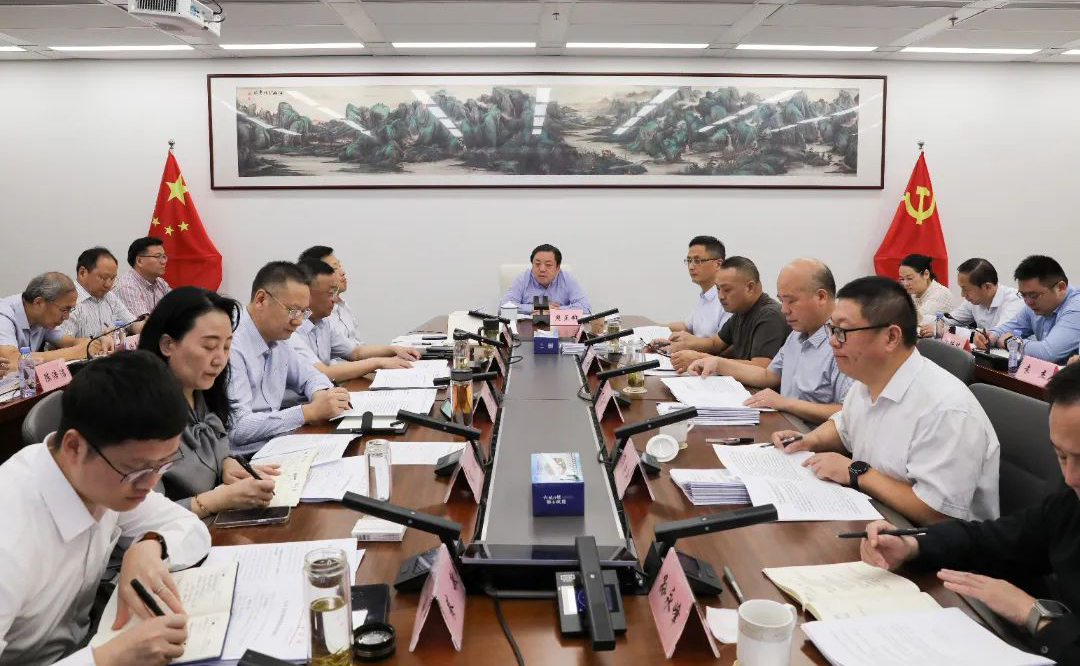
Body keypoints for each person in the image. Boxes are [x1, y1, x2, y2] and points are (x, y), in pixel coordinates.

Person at [860, 361, 1080, 663]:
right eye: (1061, 456)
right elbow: (992, 539)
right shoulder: (1069, 504)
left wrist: (1034, 615)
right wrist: (912, 544)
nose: (1070, 477)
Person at [0, 351, 211, 666]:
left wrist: (150, 545)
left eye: (164, 465)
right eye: (138, 471)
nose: (150, 484)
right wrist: (108, 658)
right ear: (75, 447)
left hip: (88, 638)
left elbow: (190, 527)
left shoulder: (104, 477)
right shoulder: (10, 534)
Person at [770, 276, 1000, 526]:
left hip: (929, 541)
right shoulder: (868, 379)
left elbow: (937, 513)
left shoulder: (946, 410)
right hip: (876, 515)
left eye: (842, 331)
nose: (832, 341)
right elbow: (844, 426)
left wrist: (856, 473)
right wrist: (808, 440)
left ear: (891, 337)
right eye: (832, 329)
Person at [138, 287, 279, 517]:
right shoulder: (139, 412)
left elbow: (216, 454)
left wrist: (225, 464)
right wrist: (218, 500)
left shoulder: (202, 393)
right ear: (167, 345)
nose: (220, 360)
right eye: (209, 347)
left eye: (226, 347)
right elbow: (143, 517)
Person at [688, 259, 852, 424]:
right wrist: (717, 364)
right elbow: (768, 375)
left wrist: (785, 403)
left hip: (811, 435)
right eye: (781, 300)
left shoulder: (844, 343)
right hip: (786, 426)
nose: (784, 310)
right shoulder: (797, 334)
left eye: (791, 301)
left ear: (821, 297)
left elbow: (848, 412)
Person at [227, 261, 349, 453]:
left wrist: (322, 395)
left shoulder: (279, 337)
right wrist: (308, 412)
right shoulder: (230, 343)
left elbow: (311, 376)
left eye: (303, 312)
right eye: (293, 311)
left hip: (279, 443)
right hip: (245, 458)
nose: (298, 321)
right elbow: (238, 428)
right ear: (261, 300)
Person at [290, 260, 418, 381]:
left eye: (335, 292)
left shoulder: (324, 321)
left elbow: (354, 352)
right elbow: (322, 373)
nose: (334, 299)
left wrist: (393, 350)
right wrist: (378, 362)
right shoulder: (292, 329)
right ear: (307, 294)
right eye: (330, 293)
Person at [670, 256, 790, 372]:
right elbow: (715, 343)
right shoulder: (741, 310)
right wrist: (682, 345)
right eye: (718, 289)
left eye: (727, 290)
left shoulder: (769, 316)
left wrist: (700, 359)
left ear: (750, 287)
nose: (720, 296)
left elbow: (760, 367)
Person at [982, 255, 1080, 364]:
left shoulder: (1076, 307)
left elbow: (1048, 353)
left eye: (1034, 295)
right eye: (1023, 295)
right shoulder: (1035, 305)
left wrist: (1010, 342)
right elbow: (1008, 328)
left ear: (1060, 288)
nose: (1028, 302)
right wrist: (989, 336)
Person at [0, 272, 103, 367]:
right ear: (38, 303)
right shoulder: (4, 315)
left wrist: (91, 344)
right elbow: (12, 360)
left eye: (70, 310)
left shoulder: (42, 318)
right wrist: (75, 352)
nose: (66, 317)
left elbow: (69, 341)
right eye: (64, 310)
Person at [651, 236, 731, 352]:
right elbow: (687, 327)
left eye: (697, 261)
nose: (691, 267)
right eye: (689, 261)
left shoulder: (726, 299)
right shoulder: (705, 295)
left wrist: (689, 346)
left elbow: (724, 346)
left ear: (718, 264)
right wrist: (653, 328)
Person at [62, 247, 146, 341]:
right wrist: (99, 342)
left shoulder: (109, 296)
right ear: (82, 273)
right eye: (103, 278)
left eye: (112, 279)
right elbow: (63, 344)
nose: (108, 285)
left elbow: (132, 324)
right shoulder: (67, 300)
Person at [297, 246, 364, 350]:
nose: (342, 272)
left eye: (340, 266)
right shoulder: (300, 324)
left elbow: (356, 350)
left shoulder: (341, 306)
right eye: (334, 268)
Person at [941, 257, 1024, 339]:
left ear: (987, 287)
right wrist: (937, 324)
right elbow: (947, 320)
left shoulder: (1014, 301)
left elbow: (996, 335)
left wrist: (954, 330)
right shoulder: (974, 300)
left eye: (966, 289)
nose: (962, 295)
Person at [500, 244, 590, 313]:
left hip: (560, 328)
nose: (542, 269)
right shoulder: (523, 279)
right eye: (537, 264)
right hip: (526, 328)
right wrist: (538, 308)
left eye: (548, 265)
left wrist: (556, 310)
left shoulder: (567, 279)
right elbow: (504, 306)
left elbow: (585, 308)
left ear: (558, 267)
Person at [114, 237, 171, 318]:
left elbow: (177, 309)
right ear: (139, 261)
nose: (163, 262)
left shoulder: (160, 282)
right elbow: (144, 323)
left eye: (164, 257)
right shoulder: (127, 287)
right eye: (158, 256)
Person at [898, 253, 955, 325]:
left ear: (926, 274)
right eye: (902, 279)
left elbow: (913, 322)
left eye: (910, 278)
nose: (905, 284)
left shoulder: (941, 295)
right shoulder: (914, 293)